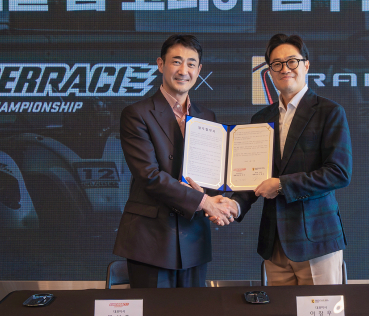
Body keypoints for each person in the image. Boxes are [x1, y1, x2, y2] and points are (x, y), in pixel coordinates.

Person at [113, 34, 239, 288]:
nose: (184, 71)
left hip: (194, 239)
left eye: (191, 64)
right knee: (153, 312)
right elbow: (149, 176)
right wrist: (205, 202)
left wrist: (226, 202)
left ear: (199, 70)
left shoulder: (207, 116)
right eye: (176, 62)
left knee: (192, 312)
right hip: (150, 240)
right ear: (161, 64)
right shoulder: (136, 114)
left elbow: (212, 173)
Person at [229, 34, 352, 286]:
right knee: (280, 312)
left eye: (292, 61)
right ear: (269, 72)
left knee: (322, 310)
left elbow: (338, 172)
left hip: (317, 240)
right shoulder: (260, 119)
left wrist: (282, 185)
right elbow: (253, 176)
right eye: (277, 64)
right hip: (274, 244)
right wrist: (234, 206)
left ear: (306, 65)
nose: (285, 69)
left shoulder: (329, 112)